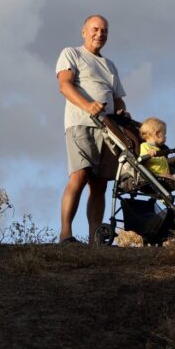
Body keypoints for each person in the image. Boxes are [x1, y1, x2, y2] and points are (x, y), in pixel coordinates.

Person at [56, 15, 127, 244]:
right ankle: (66, 234)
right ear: (84, 31)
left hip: (107, 129)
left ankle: (94, 239)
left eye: (104, 31)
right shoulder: (72, 53)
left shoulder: (110, 65)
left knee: (100, 183)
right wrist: (88, 106)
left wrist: (122, 114)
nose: (100, 34)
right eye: (95, 29)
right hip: (80, 123)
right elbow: (64, 85)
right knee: (80, 175)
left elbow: (118, 100)